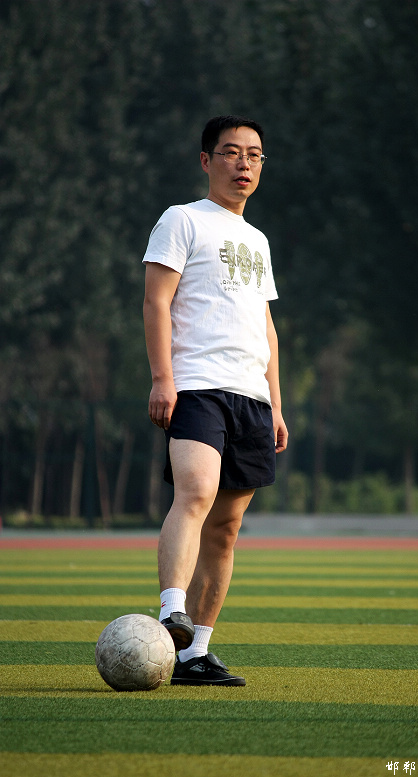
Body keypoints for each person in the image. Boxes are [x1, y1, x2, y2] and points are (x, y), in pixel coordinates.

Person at [142, 115, 288, 686]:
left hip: (251, 395)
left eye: (254, 154)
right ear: (207, 161)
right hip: (197, 384)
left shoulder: (259, 240)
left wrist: (276, 405)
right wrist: (163, 378)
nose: (244, 163)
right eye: (231, 152)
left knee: (226, 529)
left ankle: (194, 654)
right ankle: (171, 611)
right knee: (197, 491)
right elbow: (156, 301)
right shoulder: (182, 220)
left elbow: (265, 326)